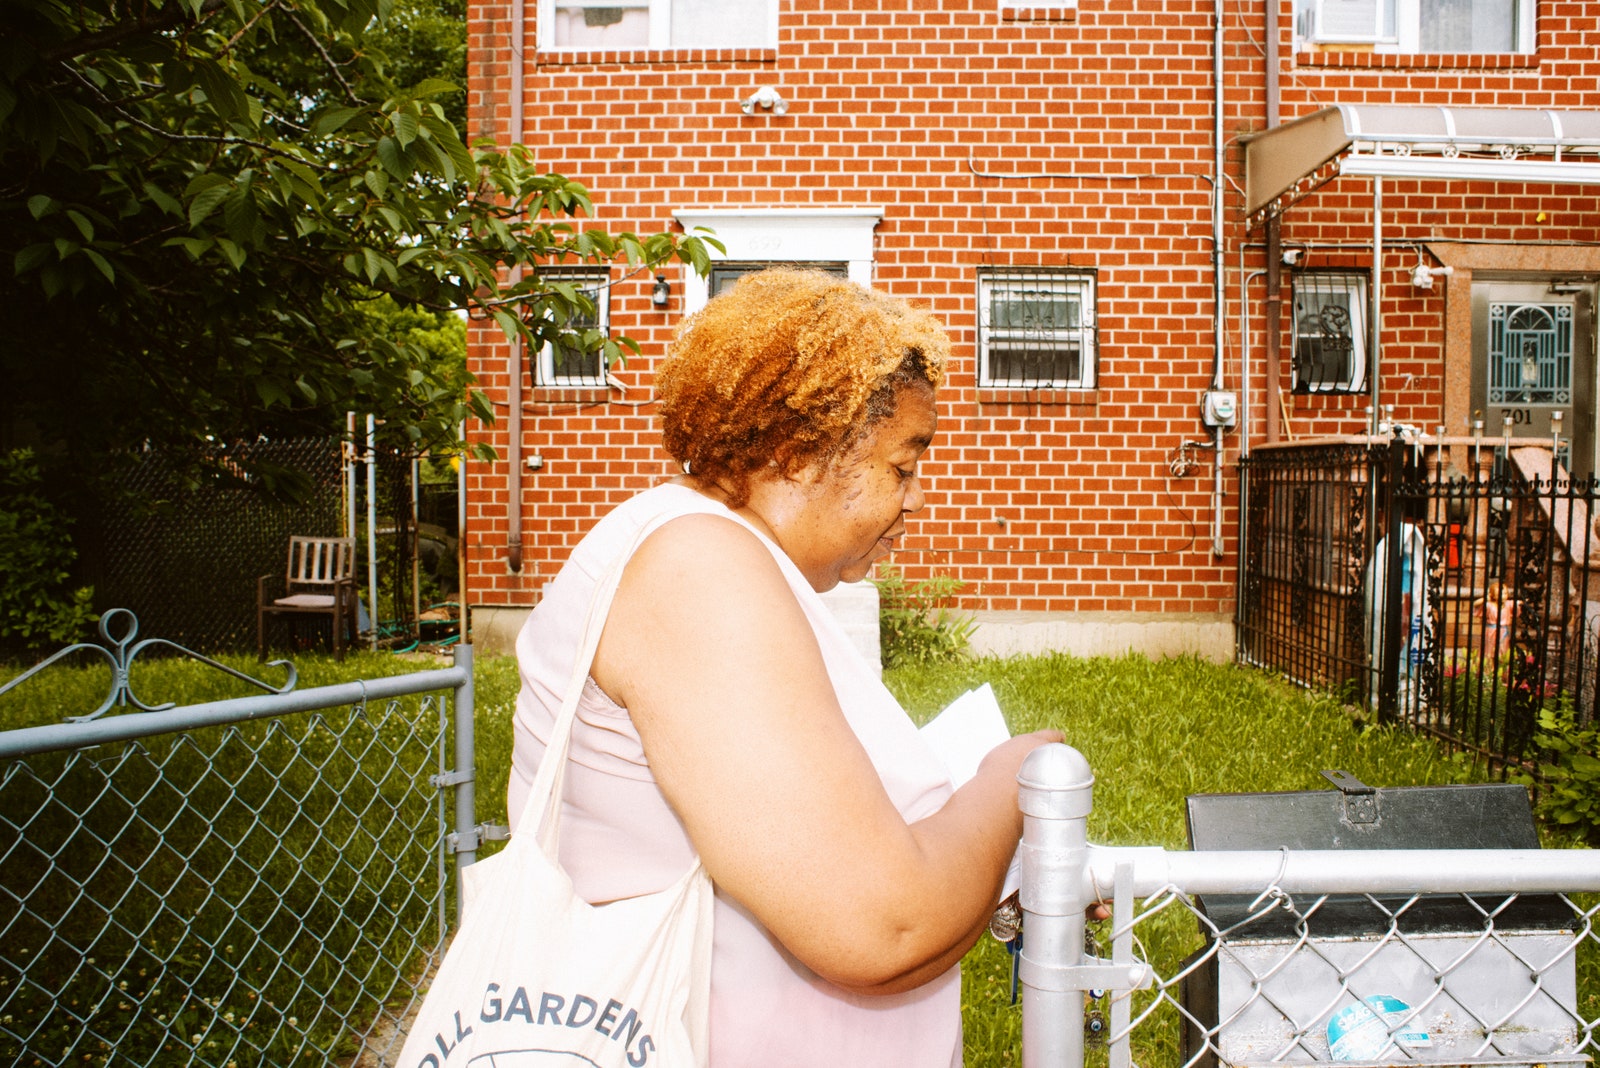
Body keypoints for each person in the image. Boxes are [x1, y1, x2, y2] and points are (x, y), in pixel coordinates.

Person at [507, 267, 1062, 1066]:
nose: (915, 502)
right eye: (903, 466)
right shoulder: (698, 572)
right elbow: (882, 927)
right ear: (802, 452)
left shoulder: (702, 553)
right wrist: (1016, 778)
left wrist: (988, 874)